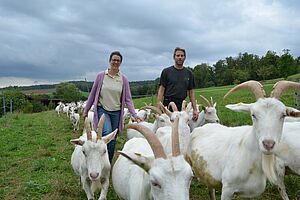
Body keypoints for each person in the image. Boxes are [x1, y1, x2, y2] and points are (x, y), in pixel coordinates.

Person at [83, 51, 142, 163]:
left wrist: (135, 114)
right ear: (110, 61)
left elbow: (128, 99)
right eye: (113, 60)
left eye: (118, 60)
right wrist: (86, 110)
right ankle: (100, 160)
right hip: (102, 110)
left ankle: (107, 161)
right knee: (107, 133)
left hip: (116, 112)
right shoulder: (101, 76)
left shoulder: (123, 79)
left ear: (120, 63)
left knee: (113, 139)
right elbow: (92, 94)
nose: (115, 62)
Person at [156, 47, 198, 120]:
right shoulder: (166, 72)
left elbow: (191, 93)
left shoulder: (189, 73)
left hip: (182, 106)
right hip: (168, 105)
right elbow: (161, 91)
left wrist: (195, 109)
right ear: (174, 57)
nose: (180, 57)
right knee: (168, 128)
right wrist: (158, 109)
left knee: (181, 128)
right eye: (178, 55)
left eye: (182, 56)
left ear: (185, 57)